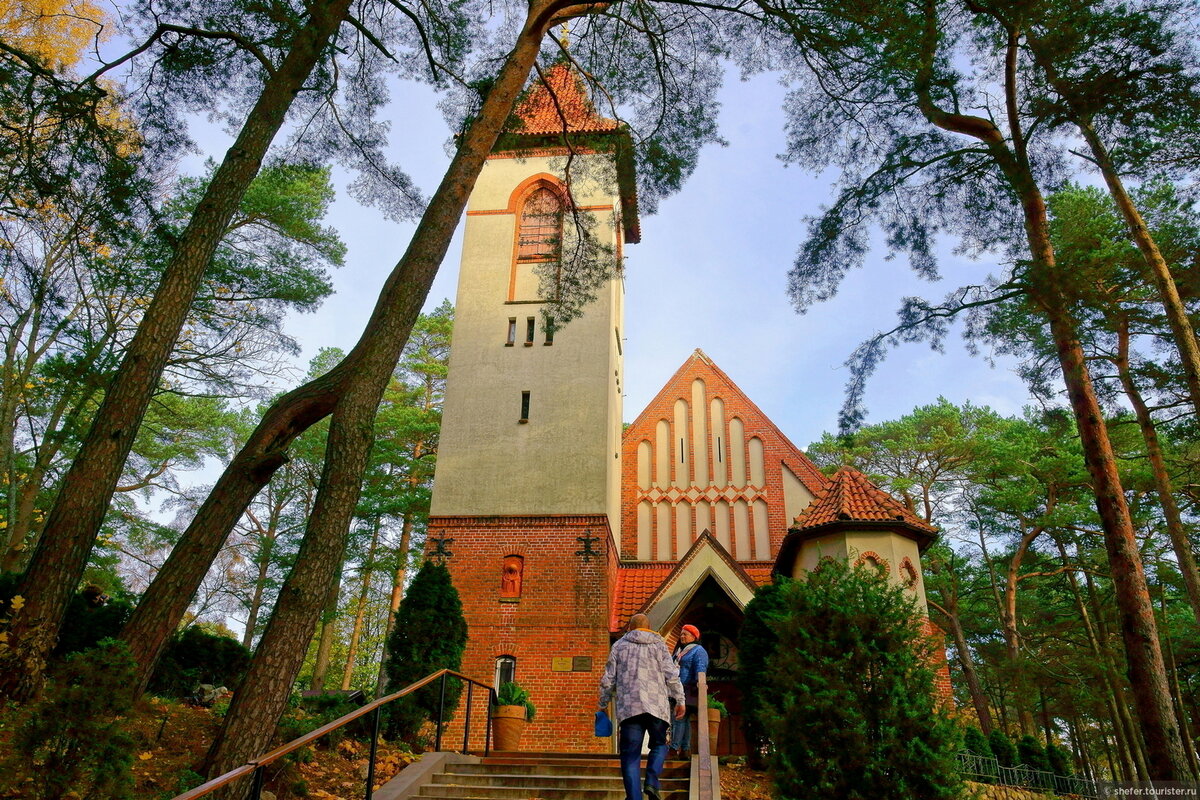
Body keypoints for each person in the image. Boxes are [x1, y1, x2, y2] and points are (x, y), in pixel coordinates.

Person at [598, 613, 685, 800]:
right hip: (657, 708)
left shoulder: (619, 646)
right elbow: (672, 675)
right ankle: (652, 782)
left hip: (630, 708)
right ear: (649, 626)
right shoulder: (660, 645)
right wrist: (680, 700)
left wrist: (603, 704)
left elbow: (608, 680)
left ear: (630, 627)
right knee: (660, 745)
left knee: (630, 756)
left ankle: (634, 797)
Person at [669, 624, 709, 757]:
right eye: (681, 634)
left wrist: (700, 683)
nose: (682, 636)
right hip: (677, 689)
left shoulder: (698, 650)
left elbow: (700, 668)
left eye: (685, 634)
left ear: (694, 636)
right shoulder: (680, 650)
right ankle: (685, 749)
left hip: (689, 689)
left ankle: (674, 748)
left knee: (679, 718)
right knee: (684, 720)